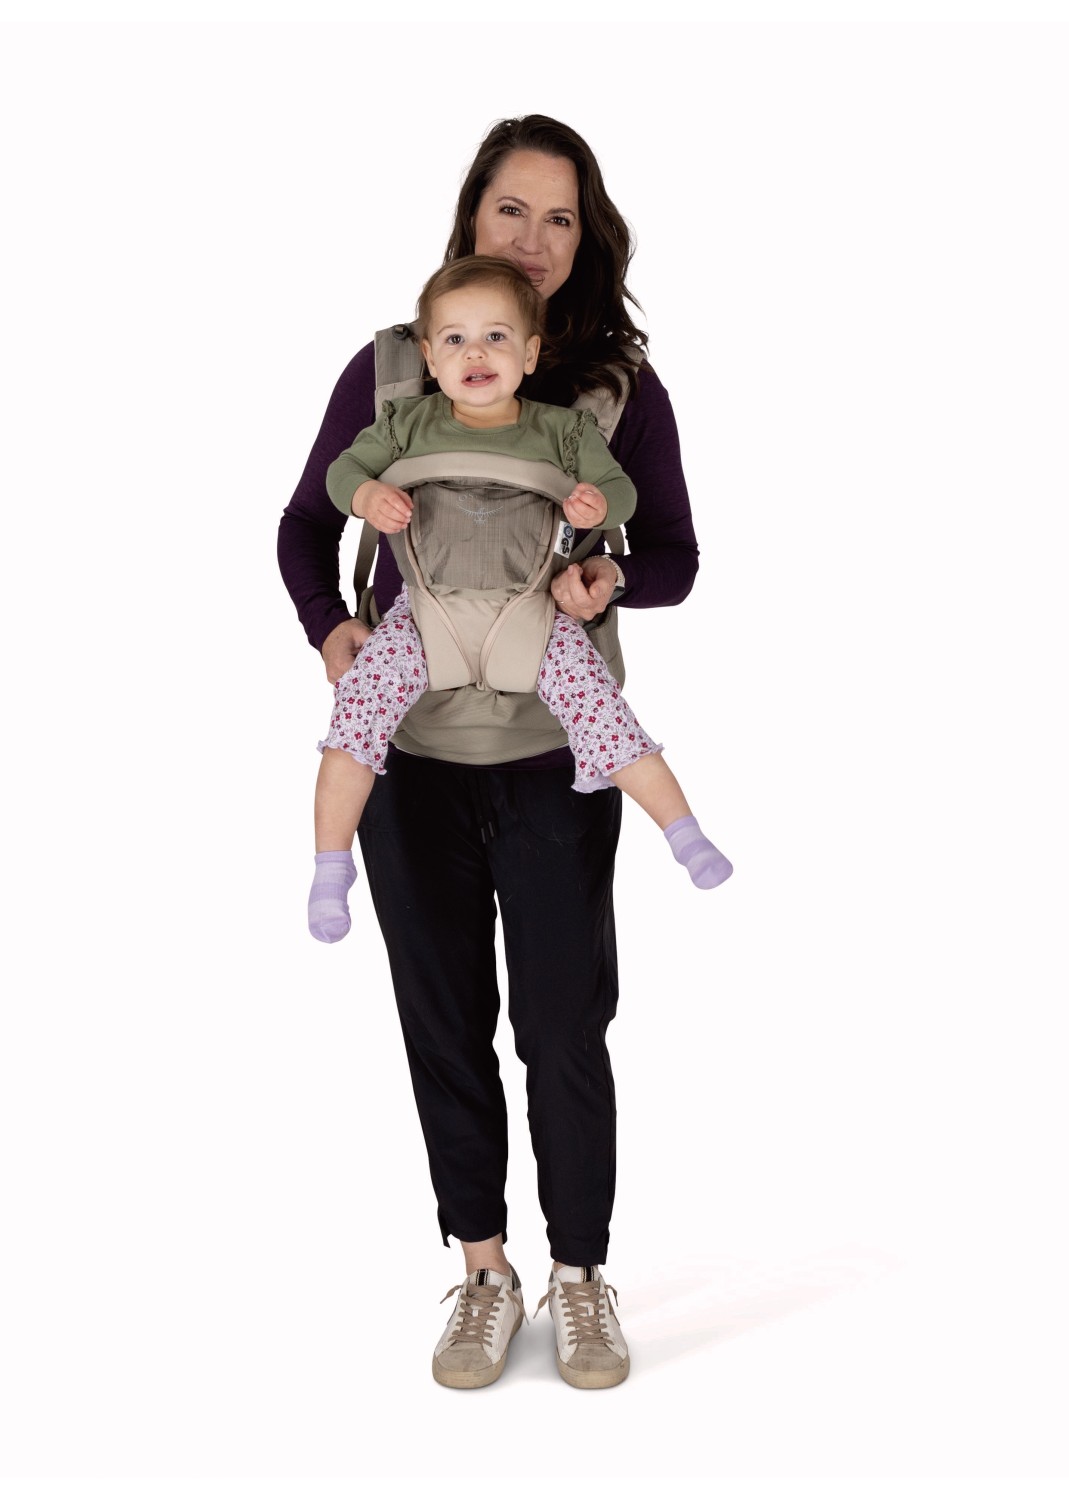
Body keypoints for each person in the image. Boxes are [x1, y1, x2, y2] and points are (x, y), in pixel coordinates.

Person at [278, 116, 706, 1391]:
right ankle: (483, 1271)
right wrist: (335, 630)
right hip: (411, 756)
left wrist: (605, 575)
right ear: (473, 215)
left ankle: (579, 1276)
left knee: (564, 1025)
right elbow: (305, 522)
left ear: (588, 240)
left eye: (560, 217)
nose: (532, 237)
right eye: (511, 209)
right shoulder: (395, 370)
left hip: (552, 754)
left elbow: (674, 556)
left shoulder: (615, 393)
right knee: (443, 1020)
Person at [309, 255, 731, 945]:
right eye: (455, 339)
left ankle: (683, 833)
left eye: (496, 338)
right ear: (429, 357)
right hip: (425, 618)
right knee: (355, 716)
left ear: (530, 354)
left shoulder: (562, 431)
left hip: (532, 616)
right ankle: (331, 868)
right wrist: (366, 495)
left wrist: (599, 502)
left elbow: (621, 491)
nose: (475, 353)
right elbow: (340, 473)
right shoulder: (405, 423)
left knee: (604, 715)